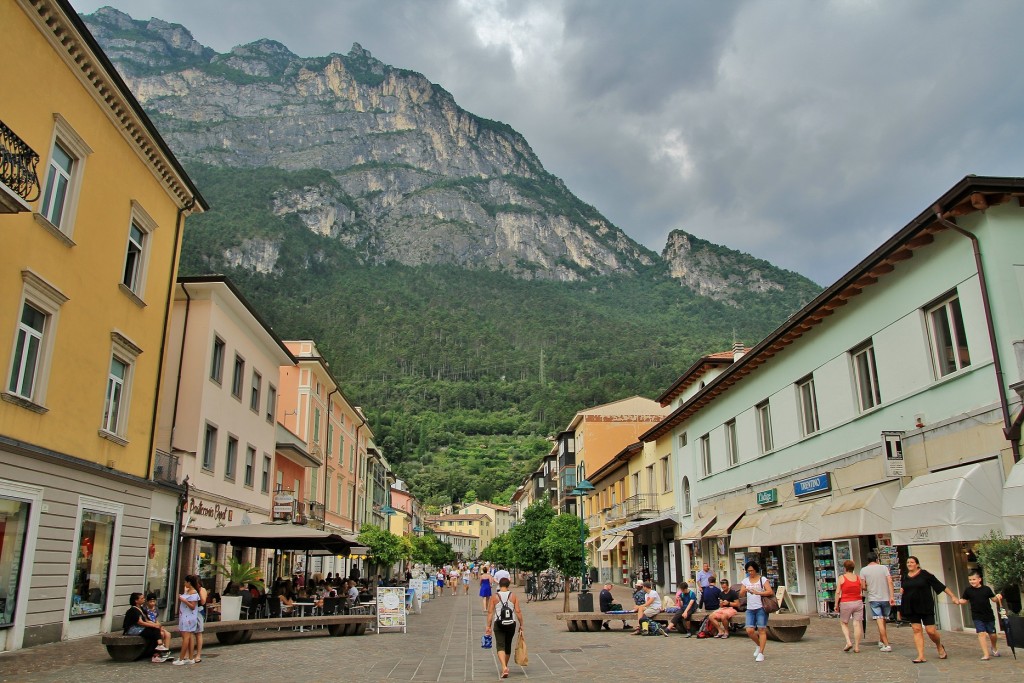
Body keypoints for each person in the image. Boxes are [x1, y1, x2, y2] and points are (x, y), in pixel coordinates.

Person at [899, 555, 958, 663]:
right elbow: (903, 589)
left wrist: (953, 596)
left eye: (912, 562)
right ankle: (921, 655)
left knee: (930, 631)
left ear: (917, 564)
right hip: (911, 607)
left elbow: (941, 586)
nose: (909, 564)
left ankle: (939, 646)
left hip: (925, 605)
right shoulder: (904, 576)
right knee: (916, 630)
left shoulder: (925, 575)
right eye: (908, 562)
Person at [957, 571, 1003, 660]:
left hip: (988, 615)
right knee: (981, 633)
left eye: (974, 579)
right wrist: (957, 601)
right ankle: (986, 654)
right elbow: (964, 600)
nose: (972, 581)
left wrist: (998, 597)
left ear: (979, 579)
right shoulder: (968, 590)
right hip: (977, 615)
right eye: (970, 580)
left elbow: (994, 599)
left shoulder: (986, 589)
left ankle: (994, 647)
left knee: (992, 634)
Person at [484, 577, 524, 679]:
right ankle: (505, 666)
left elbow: (490, 612)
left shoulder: (495, 597)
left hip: (499, 623)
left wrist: (488, 626)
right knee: (508, 644)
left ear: (500, 585)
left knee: (500, 645)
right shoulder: (513, 596)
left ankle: (504, 667)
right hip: (511, 623)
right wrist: (521, 624)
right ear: (508, 585)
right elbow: (518, 611)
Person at [860, 551, 895, 652]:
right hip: (885, 597)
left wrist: (869, 586)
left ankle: (886, 644)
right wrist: (892, 596)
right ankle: (881, 640)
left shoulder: (864, 570)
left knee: (879, 620)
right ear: (876, 559)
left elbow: (863, 586)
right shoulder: (883, 568)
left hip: (874, 598)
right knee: (883, 619)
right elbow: (890, 581)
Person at [739, 560, 773, 662]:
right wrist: (744, 590)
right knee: (749, 630)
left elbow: (770, 591)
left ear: (756, 570)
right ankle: (758, 645)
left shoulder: (762, 579)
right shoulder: (745, 581)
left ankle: (761, 653)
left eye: (752, 570)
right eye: (748, 571)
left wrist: (758, 593)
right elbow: (740, 595)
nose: (750, 573)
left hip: (761, 607)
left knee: (762, 629)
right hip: (750, 608)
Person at [122, 592, 170, 661]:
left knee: (155, 629)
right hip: (133, 629)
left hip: (140, 627)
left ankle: (160, 646)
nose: (144, 599)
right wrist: (153, 625)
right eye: (142, 598)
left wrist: (156, 625)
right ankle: (157, 651)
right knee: (153, 632)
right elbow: (141, 622)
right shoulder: (133, 610)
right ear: (136, 600)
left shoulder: (141, 608)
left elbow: (147, 620)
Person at [835, 559, 866, 653]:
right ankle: (857, 647)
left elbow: (837, 592)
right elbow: (862, 588)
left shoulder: (842, 578)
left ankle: (848, 642)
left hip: (846, 602)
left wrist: (836, 604)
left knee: (844, 622)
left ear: (845, 568)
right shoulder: (858, 578)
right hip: (858, 602)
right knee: (857, 624)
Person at [173, 576, 200, 665]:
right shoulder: (187, 591)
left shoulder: (194, 593)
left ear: (189, 583)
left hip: (189, 617)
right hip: (183, 615)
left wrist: (184, 600)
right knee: (188, 636)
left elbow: (192, 606)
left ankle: (181, 658)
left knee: (186, 637)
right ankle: (190, 657)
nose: (184, 584)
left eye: (186, 582)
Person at [144, 593, 173, 657]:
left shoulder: (156, 609)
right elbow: (146, 620)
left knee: (168, 634)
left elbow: (155, 619)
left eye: (154, 601)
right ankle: (158, 652)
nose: (152, 603)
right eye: (150, 602)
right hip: (151, 626)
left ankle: (166, 651)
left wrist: (159, 625)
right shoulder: (145, 609)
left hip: (156, 625)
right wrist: (156, 625)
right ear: (147, 602)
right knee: (161, 634)